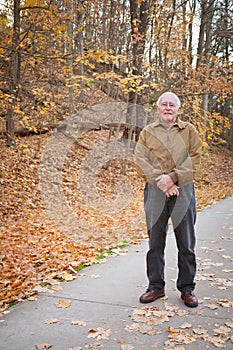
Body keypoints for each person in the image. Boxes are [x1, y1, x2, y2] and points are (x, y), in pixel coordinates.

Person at [135, 92, 202, 307]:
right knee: (155, 241)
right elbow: (140, 159)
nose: (167, 108)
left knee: (186, 242)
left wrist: (173, 178)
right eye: (163, 104)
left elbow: (196, 159)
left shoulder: (189, 131)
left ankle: (187, 288)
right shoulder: (148, 132)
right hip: (155, 192)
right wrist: (161, 182)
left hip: (183, 191)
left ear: (178, 110)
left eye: (172, 105)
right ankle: (155, 286)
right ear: (157, 109)